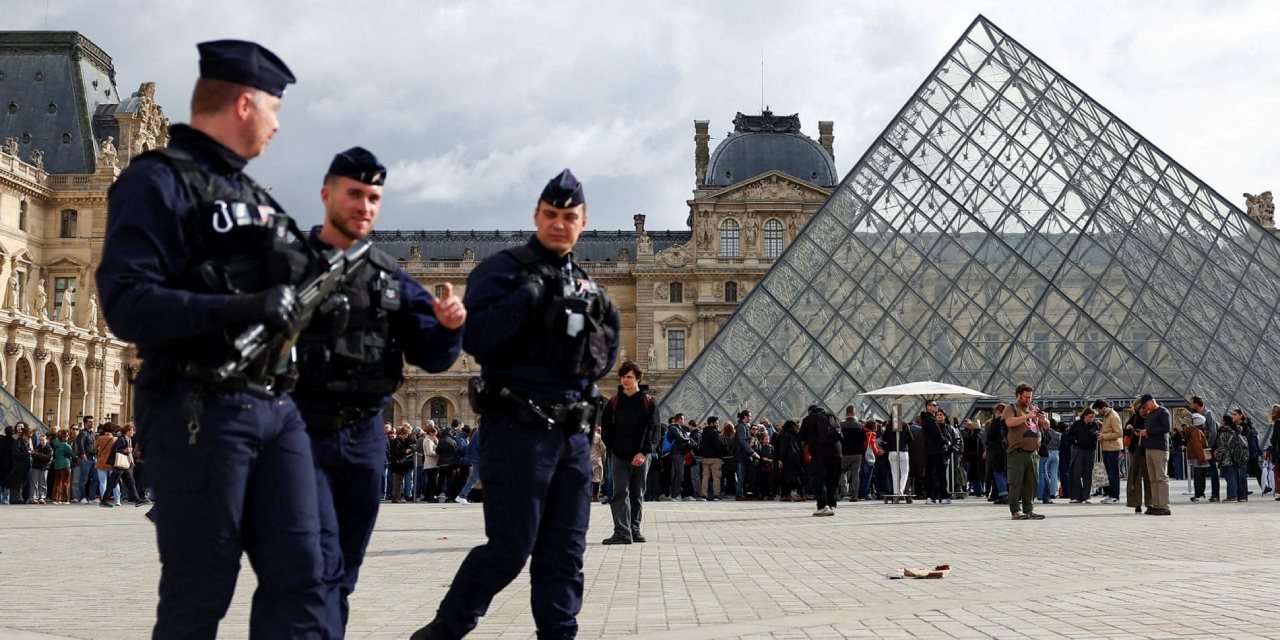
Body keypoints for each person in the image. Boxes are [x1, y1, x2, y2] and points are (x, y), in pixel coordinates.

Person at [96, 40, 330, 638]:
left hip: (277, 405)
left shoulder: (258, 199)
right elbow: (126, 304)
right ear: (246, 105)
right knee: (201, 588)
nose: (279, 126)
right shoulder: (157, 183)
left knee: (306, 576)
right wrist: (240, 307)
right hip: (200, 403)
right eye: (275, 110)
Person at [412, 169, 620, 640]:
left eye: (569, 216)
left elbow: (605, 358)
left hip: (571, 437)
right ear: (537, 216)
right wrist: (528, 299)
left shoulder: (590, 288)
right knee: (509, 549)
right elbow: (477, 338)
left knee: (565, 555)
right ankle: (445, 630)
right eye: (551, 215)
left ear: (582, 221)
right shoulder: (501, 272)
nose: (560, 224)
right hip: (518, 430)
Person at [292, 144, 465, 629]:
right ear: (327, 194)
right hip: (301, 433)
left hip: (366, 437)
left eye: (373, 197)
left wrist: (450, 326)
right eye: (354, 194)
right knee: (311, 568)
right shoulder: (288, 265)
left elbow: (432, 356)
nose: (364, 205)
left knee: (343, 572)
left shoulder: (391, 279)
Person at [599, 361, 659, 543]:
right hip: (619, 456)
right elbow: (606, 430)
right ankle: (622, 532)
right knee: (619, 493)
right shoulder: (613, 403)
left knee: (637, 493)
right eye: (623, 377)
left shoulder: (649, 402)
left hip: (641, 456)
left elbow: (654, 429)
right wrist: (614, 450)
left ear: (638, 379)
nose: (625, 380)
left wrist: (644, 452)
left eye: (629, 377)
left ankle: (634, 529)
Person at [1005, 383, 1045, 520]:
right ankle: (1015, 510)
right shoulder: (1011, 408)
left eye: (1030, 398)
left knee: (1031, 482)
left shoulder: (1033, 408)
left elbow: (1046, 425)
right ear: (1018, 396)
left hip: (1033, 452)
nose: (1028, 400)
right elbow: (1010, 422)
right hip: (1017, 452)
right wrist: (1027, 416)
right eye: (1026, 397)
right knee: (1015, 482)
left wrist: (1042, 419)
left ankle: (1029, 509)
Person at [799, 404, 841, 516]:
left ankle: (822, 506)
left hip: (819, 453)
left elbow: (801, 437)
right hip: (836, 452)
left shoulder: (809, 419)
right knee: (832, 480)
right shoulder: (833, 416)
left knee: (818, 479)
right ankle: (832, 504)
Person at [1137, 394, 1172, 515]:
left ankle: (1164, 505)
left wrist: (1148, 431)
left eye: (1146, 405)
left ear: (1152, 401)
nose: (1146, 407)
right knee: (1153, 478)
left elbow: (1166, 428)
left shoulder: (1163, 412)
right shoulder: (1150, 414)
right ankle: (1156, 504)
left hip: (1160, 448)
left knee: (1161, 477)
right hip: (1149, 447)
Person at [1066, 408, 1099, 503]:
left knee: (1087, 474)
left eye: (1093, 417)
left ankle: (1086, 496)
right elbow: (1069, 436)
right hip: (1078, 450)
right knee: (1076, 473)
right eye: (1090, 417)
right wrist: (1075, 441)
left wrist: (1096, 435)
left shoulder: (1094, 425)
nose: (1091, 419)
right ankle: (1076, 496)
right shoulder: (1077, 424)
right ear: (1085, 416)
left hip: (1090, 451)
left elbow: (1097, 436)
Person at [920, 400, 948, 504]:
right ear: (928, 407)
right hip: (937, 450)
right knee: (940, 474)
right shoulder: (931, 420)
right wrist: (946, 441)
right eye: (934, 405)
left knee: (929, 473)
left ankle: (929, 496)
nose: (936, 407)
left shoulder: (925, 419)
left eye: (936, 405)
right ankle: (943, 496)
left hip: (928, 451)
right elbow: (938, 436)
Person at [1095, 400, 1123, 503]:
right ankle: (1111, 495)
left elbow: (1119, 433)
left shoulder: (1113, 416)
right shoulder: (1107, 416)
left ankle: (1115, 496)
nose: (1099, 412)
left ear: (1103, 407)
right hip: (1107, 448)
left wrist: (1103, 436)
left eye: (1099, 410)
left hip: (1113, 448)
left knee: (1113, 473)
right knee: (1109, 473)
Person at [838, 405, 863, 501]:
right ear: (854, 413)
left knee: (842, 472)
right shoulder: (860, 425)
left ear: (846, 413)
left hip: (844, 453)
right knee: (855, 474)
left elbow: (838, 439)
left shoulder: (841, 425)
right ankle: (855, 495)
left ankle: (843, 491)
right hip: (857, 454)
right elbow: (863, 440)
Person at [699, 418, 726, 500]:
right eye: (716, 423)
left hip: (705, 458)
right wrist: (721, 455)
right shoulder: (714, 433)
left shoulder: (704, 432)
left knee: (705, 477)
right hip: (715, 458)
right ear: (711, 423)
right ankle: (716, 495)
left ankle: (704, 494)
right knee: (716, 477)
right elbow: (717, 446)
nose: (717, 424)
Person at [1186, 413, 1210, 501]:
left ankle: (1199, 493)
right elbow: (1198, 446)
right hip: (1199, 456)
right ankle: (1199, 494)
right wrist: (1201, 459)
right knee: (1199, 475)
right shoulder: (1197, 431)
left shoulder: (1193, 431)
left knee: (1199, 475)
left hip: (1196, 456)